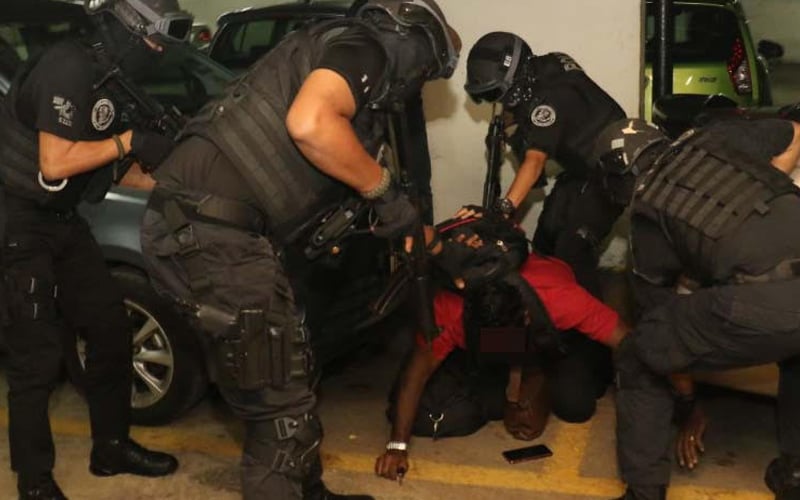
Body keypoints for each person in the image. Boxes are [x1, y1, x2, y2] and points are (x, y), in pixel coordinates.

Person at [138, 1, 463, 499]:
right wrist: (384, 193)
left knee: (293, 371)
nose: (416, 83)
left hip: (219, 232)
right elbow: (311, 124)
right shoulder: (365, 47)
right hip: (210, 234)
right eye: (425, 69)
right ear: (410, 38)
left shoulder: (332, 48)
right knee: (279, 415)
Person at [0, 0, 187, 498]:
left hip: (64, 222)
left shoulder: (114, 82)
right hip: (20, 220)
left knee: (110, 330)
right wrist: (130, 141)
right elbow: (55, 162)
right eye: (153, 39)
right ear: (128, 26)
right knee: (35, 359)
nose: (157, 51)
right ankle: (34, 481)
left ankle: (111, 448)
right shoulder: (68, 66)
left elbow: (116, 169)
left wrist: (179, 171)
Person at [590, 117, 800, 500]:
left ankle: (644, 493)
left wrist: (689, 406)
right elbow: (794, 132)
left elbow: (662, 337)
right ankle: (796, 472)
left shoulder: (647, 211)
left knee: (639, 355)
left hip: (768, 303)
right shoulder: (715, 136)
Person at [374, 216, 630, 482]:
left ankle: (538, 371)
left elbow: (629, 342)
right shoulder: (451, 309)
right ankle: (518, 369)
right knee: (482, 408)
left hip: (550, 337)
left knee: (576, 406)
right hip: (495, 347)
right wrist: (396, 447)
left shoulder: (560, 298)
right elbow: (416, 374)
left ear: (526, 316)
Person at [461, 31, 627, 411]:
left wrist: (502, 212)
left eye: (495, 93)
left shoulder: (549, 100)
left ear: (515, 78)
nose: (494, 102)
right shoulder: (542, 70)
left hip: (610, 175)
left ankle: (599, 361)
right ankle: (552, 338)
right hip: (581, 169)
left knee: (573, 252)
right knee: (545, 242)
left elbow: (535, 163)